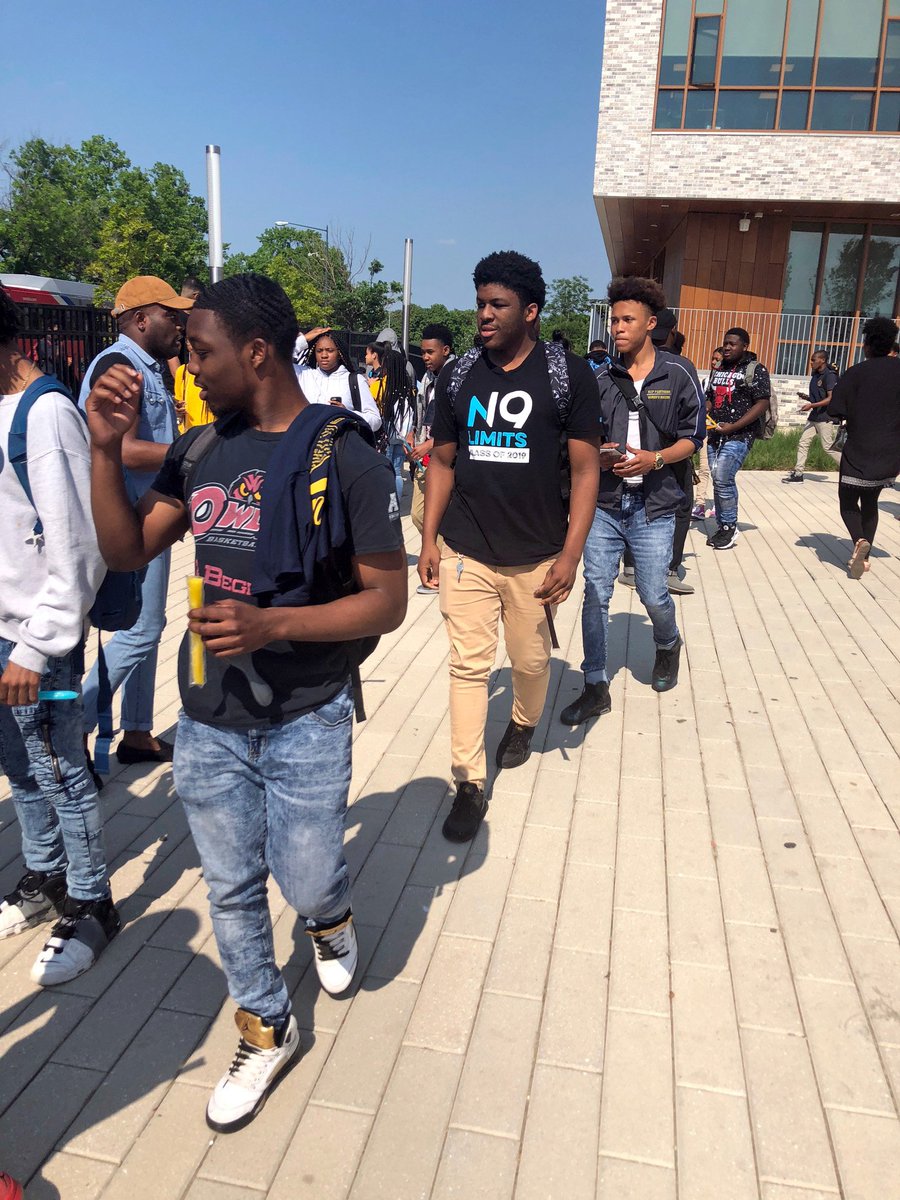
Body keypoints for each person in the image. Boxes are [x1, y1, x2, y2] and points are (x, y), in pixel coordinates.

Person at [84, 273, 407, 1132]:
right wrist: (104, 451)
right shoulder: (199, 451)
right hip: (207, 715)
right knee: (230, 887)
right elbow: (124, 552)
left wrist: (273, 626)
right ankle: (265, 1024)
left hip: (307, 712)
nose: (189, 370)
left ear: (257, 352)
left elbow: (388, 601)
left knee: (303, 875)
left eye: (202, 353)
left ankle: (328, 916)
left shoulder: (348, 452)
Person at [419, 251, 601, 843]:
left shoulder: (567, 374)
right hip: (466, 549)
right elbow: (442, 461)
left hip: (538, 555)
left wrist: (570, 556)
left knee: (530, 661)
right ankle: (468, 783)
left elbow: (585, 471)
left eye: (497, 305)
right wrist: (428, 540)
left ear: (530, 310)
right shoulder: (458, 373)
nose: (484, 316)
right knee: (468, 666)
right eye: (479, 305)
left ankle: (523, 721)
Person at [0, 285, 118, 985]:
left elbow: (80, 547)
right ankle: (44, 876)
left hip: (41, 637)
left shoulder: (46, 416)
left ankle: (92, 899)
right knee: (18, 766)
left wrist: (37, 645)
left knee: (64, 769)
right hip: (1, 629)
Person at [561, 278, 703, 726]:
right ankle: (595, 683)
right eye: (614, 319)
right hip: (604, 504)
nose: (618, 327)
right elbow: (582, 438)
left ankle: (667, 642)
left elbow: (693, 438)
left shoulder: (678, 374)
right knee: (596, 590)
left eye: (628, 320)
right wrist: (601, 453)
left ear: (650, 323)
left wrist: (654, 459)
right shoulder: (599, 378)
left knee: (652, 592)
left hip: (656, 505)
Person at [78, 277, 194, 771]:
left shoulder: (144, 367)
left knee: (149, 625)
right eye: (172, 315)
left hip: (148, 518)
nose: (181, 324)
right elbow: (117, 449)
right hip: (129, 524)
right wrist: (192, 453)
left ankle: (138, 733)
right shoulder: (122, 367)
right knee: (140, 632)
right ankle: (70, 727)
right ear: (142, 319)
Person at [618, 307, 699, 595]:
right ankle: (668, 570)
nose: (619, 327)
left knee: (631, 504)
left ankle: (630, 567)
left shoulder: (617, 367)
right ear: (672, 332)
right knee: (678, 509)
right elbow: (694, 426)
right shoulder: (680, 367)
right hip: (668, 457)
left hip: (632, 457)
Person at [829, 316, 900, 578]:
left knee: (848, 500)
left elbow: (836, 410)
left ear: (867, 344)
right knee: (871, 501)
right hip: (890, 451)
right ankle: (865, 559)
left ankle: (859, 541)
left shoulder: (855, 373)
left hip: (859, 448)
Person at [704, 327, 771, 550]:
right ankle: (722, 524)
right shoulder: (718, 368)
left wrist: (735, 426)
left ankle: (729, 527)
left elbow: (762, 403)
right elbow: (711, 397)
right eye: (725, 343)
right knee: (716, 476)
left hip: (740, 434)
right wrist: (704, 412)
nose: (727, 347)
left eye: (732, 344)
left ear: (744, 346)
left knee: (723, 475)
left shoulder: (756, 370)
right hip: (715, 432)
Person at [410, 324, 455, 594]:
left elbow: (459, 423)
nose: (425, 357)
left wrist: (431, 443)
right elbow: (422, 409)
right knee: (418, 513)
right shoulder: (428, 378)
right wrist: (412, 433)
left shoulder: (457, 375)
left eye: (430, 352)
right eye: (423, 352)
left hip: (444, 457)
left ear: (446, 351)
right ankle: (439, 560)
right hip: (423, 457)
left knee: (437, 514)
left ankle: (442, 571)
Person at [293, 329, 382, 434]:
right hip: (307, 445)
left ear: (339, 353)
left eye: (329, 350)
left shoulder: (355, 380)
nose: (324, 355)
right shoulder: (303, 375)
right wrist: (303, 340)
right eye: (319, 350)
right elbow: (274, 361)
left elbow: (376, 421)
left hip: (341, 447)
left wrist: (346, 414)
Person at [783, 349, 841, 482]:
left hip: (826, 417)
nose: (811, 363)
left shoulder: (830, 376)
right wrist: (808, 399)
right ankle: (798, 474)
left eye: (814, 360)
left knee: (828, 447)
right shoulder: (815, 375)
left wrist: (811, 406)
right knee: (803, 443)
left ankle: (850, 470)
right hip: (814, 416)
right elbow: (818, 398)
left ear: (823, 360)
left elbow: (831, 398)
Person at [369, 342, 416, 502]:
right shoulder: (408, 388)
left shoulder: (379, 385)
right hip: (402, 434)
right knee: (396, 470)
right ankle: (395, 505)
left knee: (386, 470)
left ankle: (387, 505)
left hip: (386, 434)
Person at [691, 347, 722, 519]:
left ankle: (721, 505)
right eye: (713, 358)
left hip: (723, 432)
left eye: (718, 359)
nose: (715, 362)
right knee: (703, 467)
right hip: (706, 430)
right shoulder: (705, 382)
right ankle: (700, 505)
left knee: (720, 471)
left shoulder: (728, 383)